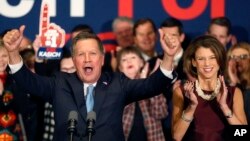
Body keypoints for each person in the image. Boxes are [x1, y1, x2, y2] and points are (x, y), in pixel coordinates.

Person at [3, 25, 179, 141]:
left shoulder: (118, 83)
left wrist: (169, 56)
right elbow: (28, 81)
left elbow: (153, 84)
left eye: (93, 54)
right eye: (81, 54)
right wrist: (12, 52)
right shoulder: (60, 83)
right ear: (74, 59)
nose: (87, 59)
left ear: (102, 59)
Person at [171, 35, 247, 141]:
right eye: (201, 59)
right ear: (193, 62)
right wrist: (191, 107)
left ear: (219, 61)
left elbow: (243, 135)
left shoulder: (234, 93)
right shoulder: (181, 92)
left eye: (212, 58)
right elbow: (176, 136)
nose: (207, 63)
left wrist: (225, 107)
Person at [117, 46, 167, 141]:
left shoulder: (153, 84)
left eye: (133, 57)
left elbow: (161, 113)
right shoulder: (116, 87)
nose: (129, 61)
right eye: (124, 60)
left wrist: (149, 86)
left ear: (141, 62)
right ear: (120, 68)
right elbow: (118, 114)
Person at [226, 42, 250, 123]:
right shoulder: (224, 84)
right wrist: (233, 83)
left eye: (243, 57)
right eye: (233, 57)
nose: (238, 61)